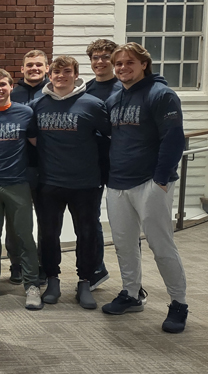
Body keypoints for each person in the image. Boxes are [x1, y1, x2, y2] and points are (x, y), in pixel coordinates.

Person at [101, 42, 189, 334]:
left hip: (150, 183)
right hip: (118, 183)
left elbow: (174, 138)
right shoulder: (116, 97)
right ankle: (132, 293)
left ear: (143, 65)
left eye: (129, 63)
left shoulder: (160, 94)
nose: (123, 68)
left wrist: (161, 179)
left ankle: (178, 303)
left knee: (161, 245)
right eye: (119, 64)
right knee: (124, 245)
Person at [28, 56, 111, 309]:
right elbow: (30, 140)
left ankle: (85, 282)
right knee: (48, 234)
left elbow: (108, 138)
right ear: (49, 75)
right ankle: (52, 281)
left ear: (76, 74)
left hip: (85, 183)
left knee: (86, 234)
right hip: (49, 183)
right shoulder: (36, 105)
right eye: (56, 71)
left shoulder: (93, 104)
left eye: (67, 71)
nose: (61, 75)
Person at [0, 68, 42, 310]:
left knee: (24, 236)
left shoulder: (25, 113)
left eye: (3, 84)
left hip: (17, 183)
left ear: (11, 86)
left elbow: (36, 145)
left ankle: (32, 284)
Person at [6, 50, 50, 286]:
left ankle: (41, 265)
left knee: (44, 222)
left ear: (47, 67)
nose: (34, 68)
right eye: (29, 65)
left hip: (45, 167)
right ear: (21, 69)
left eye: (39, 65)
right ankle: (17, 264)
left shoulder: (53, 93)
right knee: (16, 223)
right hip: (18, 167)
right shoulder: (14, 93)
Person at [84, 38, 124, 292]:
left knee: (123, 224)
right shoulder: (86, 90)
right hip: (94, 165)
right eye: (95, 57)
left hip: (122, 165)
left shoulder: (124, 88)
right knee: (91, 218)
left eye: (105, 57)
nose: (100, 61)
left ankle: (133, 284)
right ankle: (96, 269)